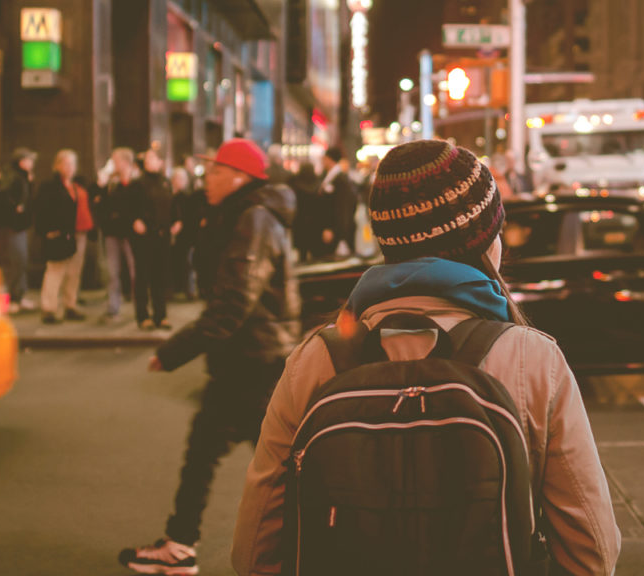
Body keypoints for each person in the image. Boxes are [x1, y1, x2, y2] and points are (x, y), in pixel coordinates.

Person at [231, 140, 621, 575]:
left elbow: (253, 552)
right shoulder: (531, 358)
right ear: (483, 244)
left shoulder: (317, 358)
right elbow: (593, 552)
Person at [119, 138, 300, 575]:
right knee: (216, 454)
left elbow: (235, 301)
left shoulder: (253, 219)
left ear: (239, 177)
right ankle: (180, 544)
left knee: (278, 467)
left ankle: (319, 545)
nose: (207, 179)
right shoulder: (242, 215)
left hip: (252, 361)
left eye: (216, 171)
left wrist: (174, 349)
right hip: (247, 357)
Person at [34, 149, 90, 324]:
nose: (70, 168)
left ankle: (70, 305)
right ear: (57, 165)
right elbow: (41, 209)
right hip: (58, 234)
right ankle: (49, 308)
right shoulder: (50, 187)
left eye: (72, 164)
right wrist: (47, 231)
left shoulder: (76, 186)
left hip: (78, 233)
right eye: (66, 164)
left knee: (74, 272)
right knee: (55, 270)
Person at [130, 148, 178, 330]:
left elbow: (172, 205)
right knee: (143, 276)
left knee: (161, 276)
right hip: (145, 237)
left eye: (153, 158)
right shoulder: (138, 184)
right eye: (147, 158)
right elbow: (130, 207)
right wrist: (135, 221)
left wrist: (176, 221)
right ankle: (143, 316)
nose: (149, 161)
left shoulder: (165, 182)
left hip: (162, 236)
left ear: (160, 162)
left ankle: (161, 315)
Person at [0, 147, 38, 313]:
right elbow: (2, 197)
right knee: (13, 262)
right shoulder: (11, 176)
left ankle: (19, 296)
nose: (32, 163)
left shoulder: (22, 176)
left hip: (20, 226)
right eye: (30, 160)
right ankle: (6, 300)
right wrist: (15, 208)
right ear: (22, 161)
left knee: (21, 262)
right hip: (11, 226)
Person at [94, 148, 139, 323]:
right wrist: (101, 186)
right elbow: (100, 204)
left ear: (125, 162)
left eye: (115, 160)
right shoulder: (111, 183)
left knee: (135, 270)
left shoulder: (135, 183)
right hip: (112, 232)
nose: (113, 164)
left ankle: (139, 306)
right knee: (113, 272)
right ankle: (113, 307)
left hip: (130, 232)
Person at [170, 167, 201, 300]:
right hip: (173, 236)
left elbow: (191, 216)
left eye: (183, 179)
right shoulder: (171, 196)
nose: (181, 181)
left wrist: (181, 222)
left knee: (188, 264)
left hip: (186, 236)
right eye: (178, 178)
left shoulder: (187, 197)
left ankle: (189, 290)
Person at [320, 147, 358, 257]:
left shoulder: (340, 179)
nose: (323, 161)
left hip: (336, 232)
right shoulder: (330, 176)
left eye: (324, 158)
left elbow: (342, 208)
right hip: (332, 231)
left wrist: (335, 231)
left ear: (329, 159)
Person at [287, 161, 323, 262]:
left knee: (302, 253)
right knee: (316, 254)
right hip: (315, 223)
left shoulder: (295, 184)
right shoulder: (318, 184)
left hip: (300, 222)